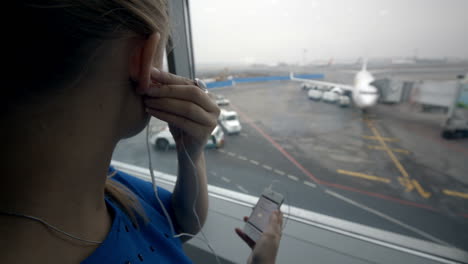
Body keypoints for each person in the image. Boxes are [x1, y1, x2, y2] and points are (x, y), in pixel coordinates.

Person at [1, 1, 283, 263]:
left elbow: (182, 223)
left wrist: (190, 153)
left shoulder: (104, 182)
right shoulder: (99, 185)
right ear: (142, 58)